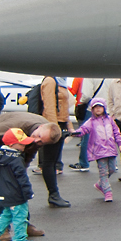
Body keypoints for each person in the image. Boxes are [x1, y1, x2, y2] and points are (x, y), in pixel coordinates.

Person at [0, 111, 60, 240]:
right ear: (39, 128)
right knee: (0, 185)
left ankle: (23, 225)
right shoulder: (18, 125)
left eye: (41, 142)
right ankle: (2, 230)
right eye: (38, 136)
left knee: (19, 184)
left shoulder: (42, 135)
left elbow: (30, 151)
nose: (37, 140)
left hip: (17, 144)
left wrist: (21, 169)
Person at [0, 128, 37, 241]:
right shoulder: (17, 159)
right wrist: (28, 193)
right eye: (22, 143)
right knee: (20, 216)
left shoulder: (0, 157)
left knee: (7, 213)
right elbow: (22, 178)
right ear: (13, 145)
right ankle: (19, 238)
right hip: (16, 194)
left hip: (4, 192)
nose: (25, 145)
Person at [68, 98, 121, 201]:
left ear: (104, 108)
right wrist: (75, 133)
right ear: (92, 110)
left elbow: (116, 132)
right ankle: (108, 192)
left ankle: (100, 184)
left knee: (111, 169)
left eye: (100, 107)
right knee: (103, 172)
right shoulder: (91, 121)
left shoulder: (109, 120)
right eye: (95, 108)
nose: (98, 109)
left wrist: (120, 143)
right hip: (99, 151)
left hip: (111, 149)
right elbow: (83, 129)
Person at [32, 76, 75, 207]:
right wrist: (54, 130)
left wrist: (69, 126)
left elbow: (63, 106)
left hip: (59, 125)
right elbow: (49, 107)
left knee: (52, 161)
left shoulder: (60, 82)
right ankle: (53, 194)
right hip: (52, 126)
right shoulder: (51, 81)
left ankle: (54, 194)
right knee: (49, 162)